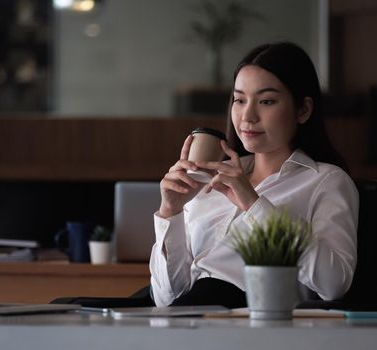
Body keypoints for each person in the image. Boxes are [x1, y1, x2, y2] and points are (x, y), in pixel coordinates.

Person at [149, 41, 359, 308]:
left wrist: (254, 204)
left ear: (303, 110)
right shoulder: (209, 182)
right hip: (188, 322)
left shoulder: (325, 181)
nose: (247, 116)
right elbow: (166, 298)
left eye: (266, 101)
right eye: (239, 100)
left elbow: (334, 284)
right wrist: (171, 212)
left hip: (253, 325)